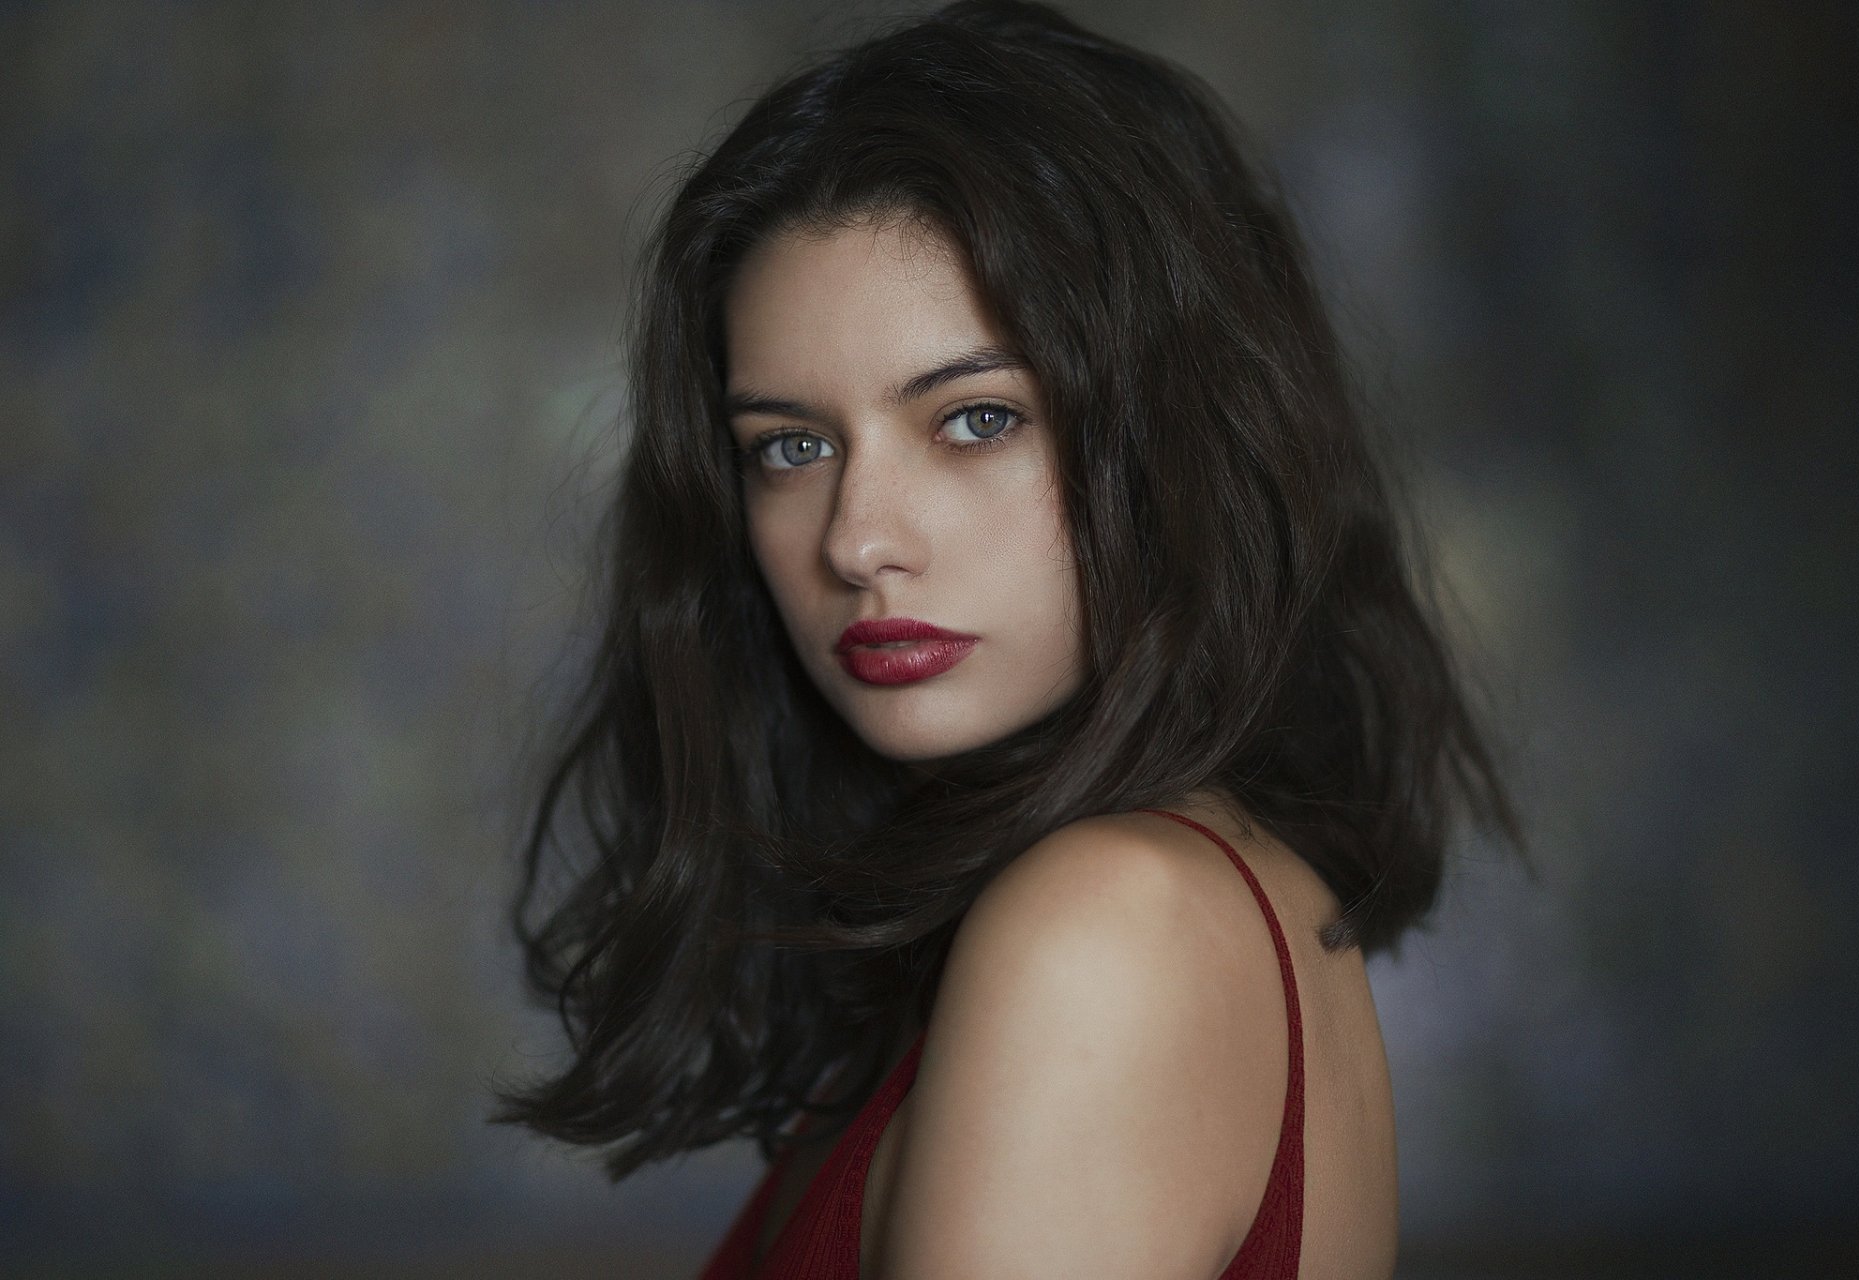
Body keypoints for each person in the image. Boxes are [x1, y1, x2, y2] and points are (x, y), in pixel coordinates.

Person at [498, 2, 1515, 1276]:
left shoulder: (1106, 926)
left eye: (976, 419)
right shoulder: (1168, 894)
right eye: (792, 446)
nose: (856, 539)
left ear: (1184, 437)